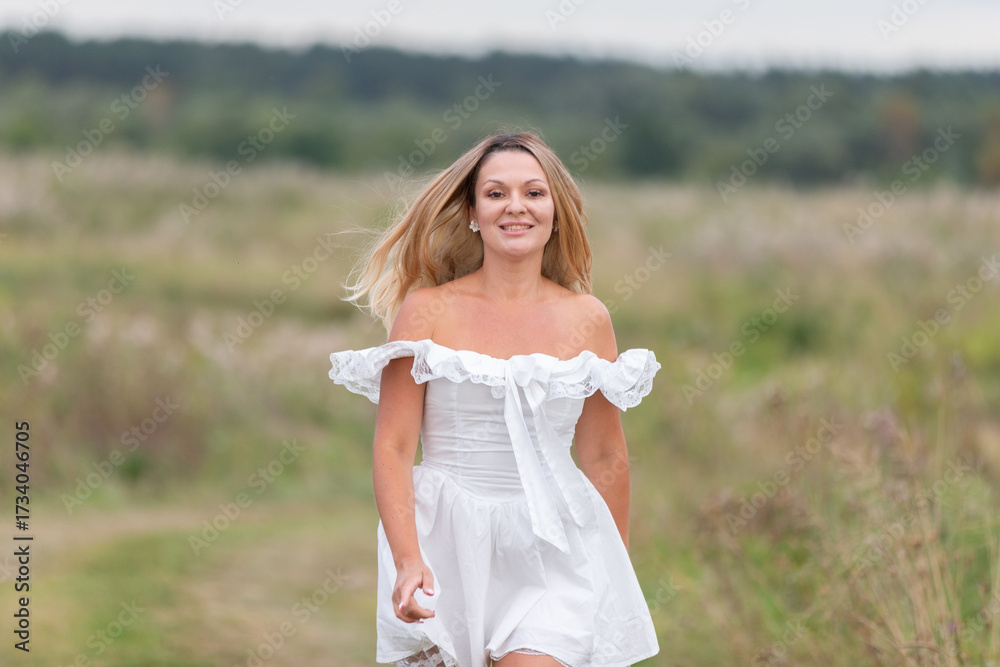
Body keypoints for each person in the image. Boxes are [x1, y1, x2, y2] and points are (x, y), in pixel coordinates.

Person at [329, 131, 660, 667]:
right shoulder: (428, 312)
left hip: (555, 549)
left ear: (556, 211)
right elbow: (393, 446)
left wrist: (612, 566)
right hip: (446, 541)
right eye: (496, 193)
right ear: (473, 212)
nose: (516, 206)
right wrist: (408, 559)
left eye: (534, 193)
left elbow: (604, 454)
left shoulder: (588, 319)